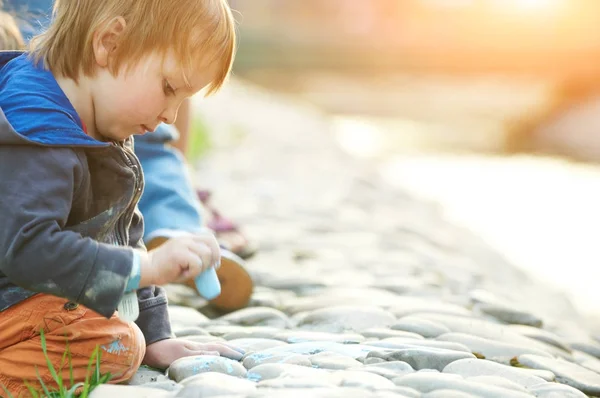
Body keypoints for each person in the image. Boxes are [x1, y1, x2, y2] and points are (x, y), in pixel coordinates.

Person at [0, 0, 244, 395]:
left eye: (182, 100)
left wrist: (156, 333)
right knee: (115, 345)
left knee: (123, 336)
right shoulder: (33, 127)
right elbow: (28, 248)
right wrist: (143, 267)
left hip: (19, 298)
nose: (170, 116)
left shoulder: (99, 124)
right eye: (168, 88)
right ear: (109, 43)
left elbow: (121, 231)